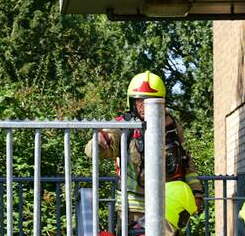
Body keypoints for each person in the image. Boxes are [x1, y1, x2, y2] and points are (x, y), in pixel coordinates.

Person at [86, 71, 204, 221]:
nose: (145, 105)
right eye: (139, 100)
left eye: (151, 100)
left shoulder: (172, 126)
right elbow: (91, 151)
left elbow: (186, 162)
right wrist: (99, 141)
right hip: (132, 211)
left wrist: (196, 193)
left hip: (167, 206)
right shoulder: (123, 126)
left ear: (163, 102)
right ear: (132, 102)